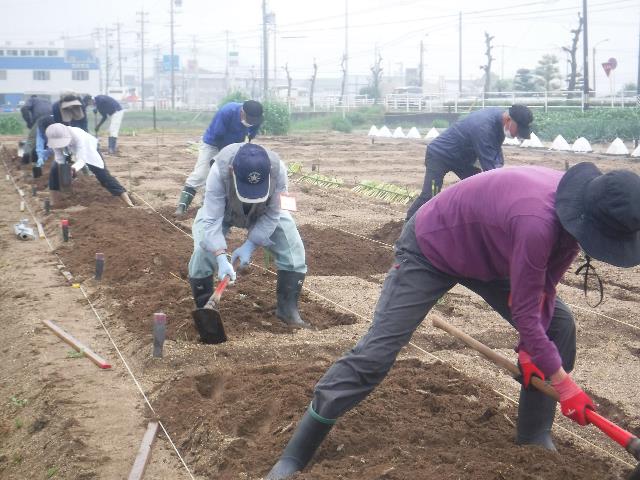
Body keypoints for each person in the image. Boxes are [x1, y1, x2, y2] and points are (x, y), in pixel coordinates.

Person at [266, 162, 640, 479]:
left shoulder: (570, 222)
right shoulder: (537, 221)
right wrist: (563, 384)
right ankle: (295, 454)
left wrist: (531, 352)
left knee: (558, 325)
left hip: (493, 255)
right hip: (433, 247)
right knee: (375, 354)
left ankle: (534, 434)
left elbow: (541, 292)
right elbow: (525, 312)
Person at [188, 141, 308, 329]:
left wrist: (250, 245)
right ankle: (205, 312)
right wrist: (220, 257)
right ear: (232, 171)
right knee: (203, 251)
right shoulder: (218, 171)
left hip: (264, 211)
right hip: (223, 210)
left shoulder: (279, 170)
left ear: (268, 171)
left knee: (294, 252)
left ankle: (288, 311)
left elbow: (275, 213)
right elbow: (212, 220)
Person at [405, 104, 534, 221]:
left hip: (462, 160)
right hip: (440, 155)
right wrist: (507, 194)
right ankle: (408, 223)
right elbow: (492, 170)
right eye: (517, 131)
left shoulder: (499, 122)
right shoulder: (484, 127)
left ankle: (468, 220)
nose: (517, 135)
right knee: (430, 195)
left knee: (477, 190)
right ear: (508, 120)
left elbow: (496, 156)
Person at [175, 100, 264, 215]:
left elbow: (251, 135)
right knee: (201, 174)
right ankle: (181, 207)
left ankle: (208, 207)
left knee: (226, 177)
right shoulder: (227, 111)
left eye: (254, 121)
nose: (251, 122)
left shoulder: (256, 118)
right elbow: (218, 136)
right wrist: (219, 160)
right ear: (242, 112)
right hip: (213, 143)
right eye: (249, 120)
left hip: (233, 146)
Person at [44, 123, 134, 207]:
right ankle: (55, 202)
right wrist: (64, 173)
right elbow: (59, 158)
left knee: (102, 175)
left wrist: (73, 168)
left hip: (89, 148)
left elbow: (82, 159)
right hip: (72, 150)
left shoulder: (78, 136)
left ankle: (127, 201)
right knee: (55, 169)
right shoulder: (54, 138)